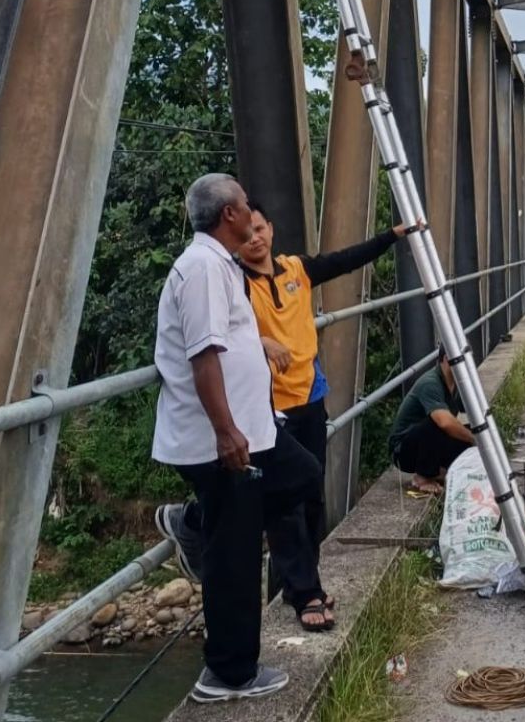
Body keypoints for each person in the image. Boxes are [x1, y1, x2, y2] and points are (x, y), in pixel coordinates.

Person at [150, 174, 323, 703]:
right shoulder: (202, 269)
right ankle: (227, 675)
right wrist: (227, 432)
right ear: (230, 215)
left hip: (256, 430)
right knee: (235, 558)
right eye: (246, 204)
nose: (253, 212)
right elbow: (204, 356)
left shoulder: (219, 264)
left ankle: (193, 522)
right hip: (220, 442)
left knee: (303, 477)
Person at [237, 203, 409, 608]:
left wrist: (391, 236)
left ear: (271, 228)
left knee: (311, 492)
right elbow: (220, 331)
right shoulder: (234, 283)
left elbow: (344, 261)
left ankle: (304, 577)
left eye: (259, 229)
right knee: (285, 501)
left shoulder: (296, 269)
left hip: (310, 397)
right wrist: (258, 341)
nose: (254, 239)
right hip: (269, 409)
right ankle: (305, 592)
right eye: (245, 235)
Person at [389, 346, 473, 493]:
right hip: (404, 451)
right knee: (439, 423)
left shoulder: (455, 384)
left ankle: (440, 470)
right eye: (463, 360)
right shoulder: (430, 383)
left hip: (430, 443)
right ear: (447, 359)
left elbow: (474, 411)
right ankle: (423, 477)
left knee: (473, 433)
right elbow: (444, 422)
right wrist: (473, 439)